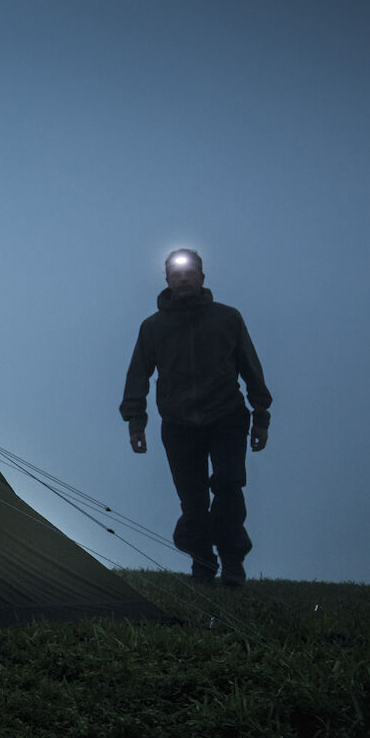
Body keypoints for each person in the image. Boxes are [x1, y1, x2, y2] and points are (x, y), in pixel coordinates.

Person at [121, 248, 272, 587]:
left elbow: (250, 366)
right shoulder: (153, 327)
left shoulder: (228, 318)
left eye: (191, 273)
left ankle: (233, 563)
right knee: (193, 500)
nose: (184, 279)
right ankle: (202, 566)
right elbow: (138, 376)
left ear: (202, 278)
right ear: (167, 281)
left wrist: (261, 415)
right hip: (178, 424)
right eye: (176, 274)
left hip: (227, 417)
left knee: (230, 487)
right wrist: (136, 422)